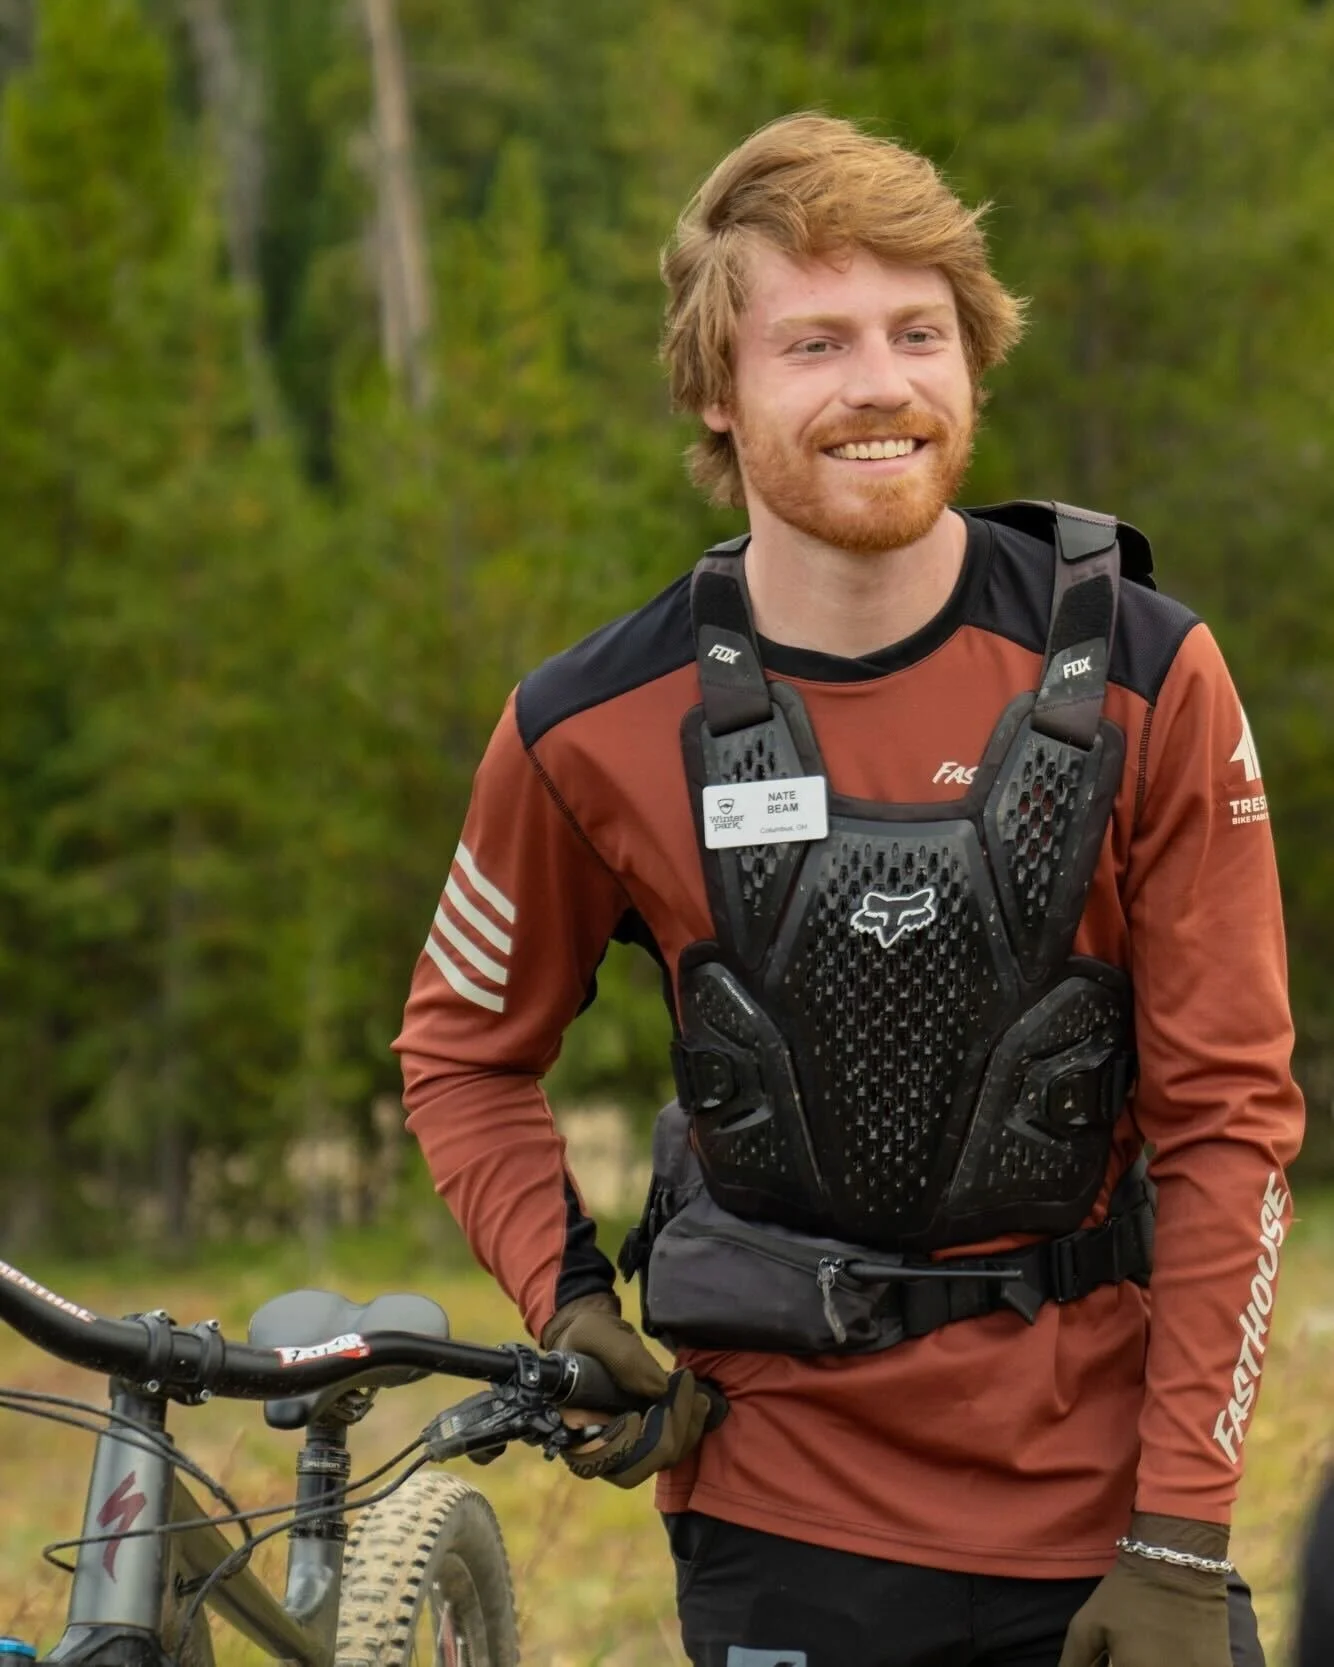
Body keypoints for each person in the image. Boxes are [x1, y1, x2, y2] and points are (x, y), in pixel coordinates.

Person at [395, 113, 1303, 1667]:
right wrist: (567, 1297)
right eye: (811, 341)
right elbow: (462, 1050)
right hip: (781, 1512)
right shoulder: (590, 723)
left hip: (1103, 1521)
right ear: (712, 387)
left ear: (973, 359)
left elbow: (1231, 1120)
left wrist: (1174, 1537)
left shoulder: (1152, 675)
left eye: (919, 331)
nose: (878, 383)